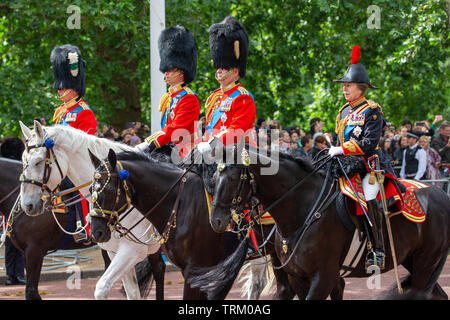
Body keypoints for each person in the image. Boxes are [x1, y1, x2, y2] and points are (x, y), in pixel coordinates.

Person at [328, 45, 401, 270]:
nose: (344, 89)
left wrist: (342, 149)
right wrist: (333, 147)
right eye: (344, 86)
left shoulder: (372, 110)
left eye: (348, 86)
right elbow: (339, 138)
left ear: (362, 88)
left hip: (368, 166)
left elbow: (369, 143)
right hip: (343, 165)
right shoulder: (343, 111)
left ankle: (377, 248)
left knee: (369, 198)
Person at [50, 44, 97, 243]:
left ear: (74, 87)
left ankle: (84, 225)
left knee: (80, 185)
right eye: (59, 86)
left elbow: (84, 141)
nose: (60, 90)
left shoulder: (83, 111)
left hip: (77, 161)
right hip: (59, 160)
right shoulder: (61, 111)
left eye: (64, 86)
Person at [136, 26, 200, 157]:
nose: (166, 72)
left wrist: (149, 142)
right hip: (168, 150)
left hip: (185, 154)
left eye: (170, 69)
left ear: (181, 72)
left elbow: (176, 129)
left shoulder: (188, 98)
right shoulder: (170, 97)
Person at [197, 16, 256, 154]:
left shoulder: (243, 97)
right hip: (213, 152)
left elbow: (236, 131)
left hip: (237, 154)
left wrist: (211, 144)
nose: (219, 69)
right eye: (218, 65)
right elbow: (209, 129)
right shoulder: (214, 97)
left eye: (223, 66)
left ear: (235, 70)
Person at [51, 45, 97, 134]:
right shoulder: (61, 110)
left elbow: (85, 144)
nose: (58, 90)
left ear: (72, 88)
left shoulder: (84, 112)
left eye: (61, 88)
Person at [1, 137, 26, 285]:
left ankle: (15, 274)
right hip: (10, 211)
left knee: (16, 243)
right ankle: (14, 274)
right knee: (12, 243)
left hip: (19, 208)